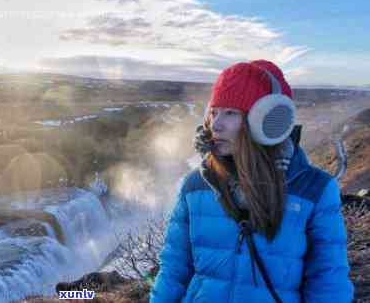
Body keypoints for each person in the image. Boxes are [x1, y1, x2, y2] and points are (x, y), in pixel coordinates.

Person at [150, 60, 354, 302]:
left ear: (266, 120)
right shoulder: (195, 185)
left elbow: (328, 282)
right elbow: (174, 271)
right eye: (214, 112)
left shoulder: (314, 190)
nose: (216, 125)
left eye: (231, 113)